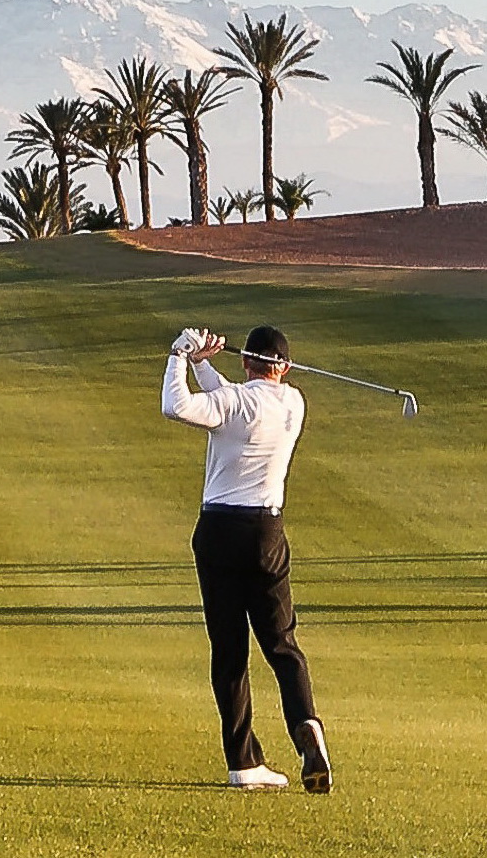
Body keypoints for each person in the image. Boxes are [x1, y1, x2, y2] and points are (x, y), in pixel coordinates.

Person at [162, 325, 332, 793]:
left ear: (245, 363)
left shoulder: (234, 401)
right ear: (286, 368)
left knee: (230, 649)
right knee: (281, 644)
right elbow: (236, 402)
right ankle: (307, 726)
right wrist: (203, 366)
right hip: (266, 532)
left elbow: (176, 405)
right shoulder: (294, 403)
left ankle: (243, 762)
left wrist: (181, 354)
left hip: (218, 531)